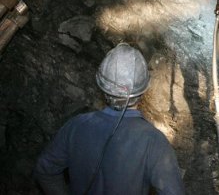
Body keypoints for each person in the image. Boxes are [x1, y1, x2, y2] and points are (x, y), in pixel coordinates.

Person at [34, 43, 185, 195]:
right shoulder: (153, 141)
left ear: (102, 86)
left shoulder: (76, 126)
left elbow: (45, 170)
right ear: (144, 90)